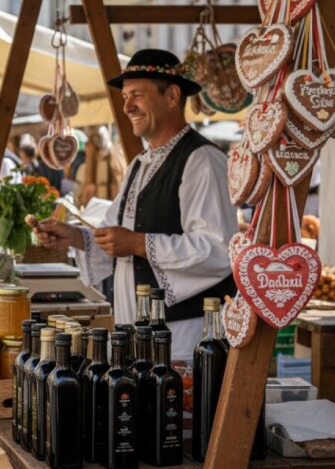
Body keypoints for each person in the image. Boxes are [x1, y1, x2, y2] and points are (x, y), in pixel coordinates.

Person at [33, 49, 238, 360]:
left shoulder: (202, 161)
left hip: (186, 335)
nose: (127, 106)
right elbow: (117, 236)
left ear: (171, 96)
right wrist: (75, 236)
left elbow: (216, 250)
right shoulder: (140, 164)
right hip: (139, 331)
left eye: (137, 95)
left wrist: (140, 244)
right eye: (126, 96)